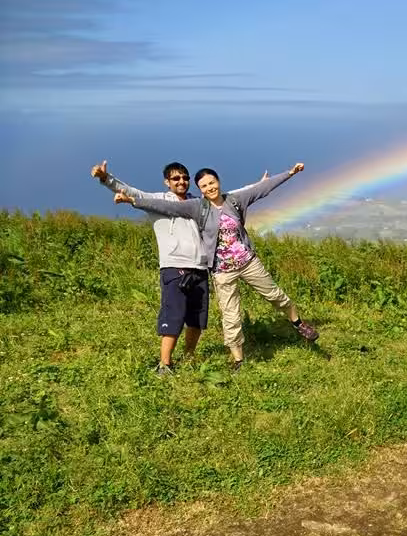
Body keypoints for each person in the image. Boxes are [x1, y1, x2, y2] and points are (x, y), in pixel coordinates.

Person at [113, 162, 317, 369]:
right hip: (222, 270)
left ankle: (298, 324)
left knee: (275, 295)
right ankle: (238, 359)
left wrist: (290, 173)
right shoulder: (198, 207)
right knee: (230, 315)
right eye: (204, 186)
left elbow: (260, 190)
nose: (210, 188)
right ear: (200, 190)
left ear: (218, 182)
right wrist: (133, 201)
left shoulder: (235, 200)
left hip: (247, 262)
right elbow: (166, 206)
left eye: (212, 182)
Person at [91, 160, 262, 375]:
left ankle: (189, 356)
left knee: (197, 319)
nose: (181, 181)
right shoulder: (159, 201)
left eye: (185, 178)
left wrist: (258, 185)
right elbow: (131, 191)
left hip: (200, 268)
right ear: (167, 182)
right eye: (176, 178)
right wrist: (106, 178)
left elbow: (228, 197)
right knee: (174, 316)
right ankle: (165, 364)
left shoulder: (200, 204)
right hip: (174, 267)